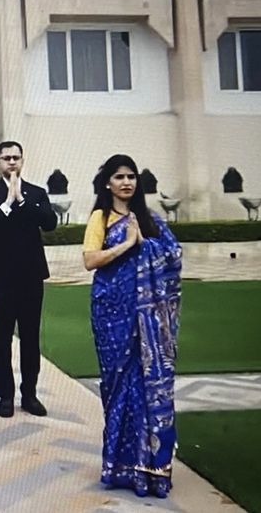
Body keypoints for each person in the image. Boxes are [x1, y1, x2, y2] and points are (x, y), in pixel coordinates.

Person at [82, 154, 183, 499]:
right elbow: (89, 260)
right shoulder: (101, 217)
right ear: (107, 183)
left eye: (131, 177)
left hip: (148, 320)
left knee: (146, 385)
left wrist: (145, 244)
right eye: (119, 177)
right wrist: (126, 246)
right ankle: (120, 466)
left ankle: (151, 469)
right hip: (111, 311)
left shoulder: (150, 220)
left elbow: (174, 255)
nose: (126, 182)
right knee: (118, 386)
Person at [0, 140, 57, 418]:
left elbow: (49, 223)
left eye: (16, 157)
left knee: (30, 338)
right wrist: (8, 204)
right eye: (6, 158)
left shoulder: (36, 192)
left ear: (22, 160)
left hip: (31, 274)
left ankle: (30, 394)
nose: (12, 162)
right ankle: (5, 396)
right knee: (2, 338)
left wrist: (22, 200)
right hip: (2, 275)